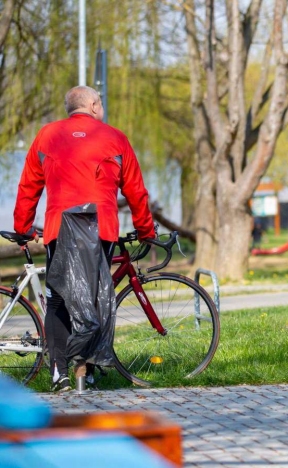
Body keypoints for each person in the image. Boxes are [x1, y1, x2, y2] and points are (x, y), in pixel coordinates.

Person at [14, 85, 155, 392]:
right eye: (100, 104)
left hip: (59, 229)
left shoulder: (47, 136)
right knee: (94, 297)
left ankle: (60, 374)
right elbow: (136, 190)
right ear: (93, 105)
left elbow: (28, 186)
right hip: (101, 228)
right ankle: (86, 372)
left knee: (59, 300)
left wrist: (23, 227)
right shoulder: (115, 138)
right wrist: (146, 229)